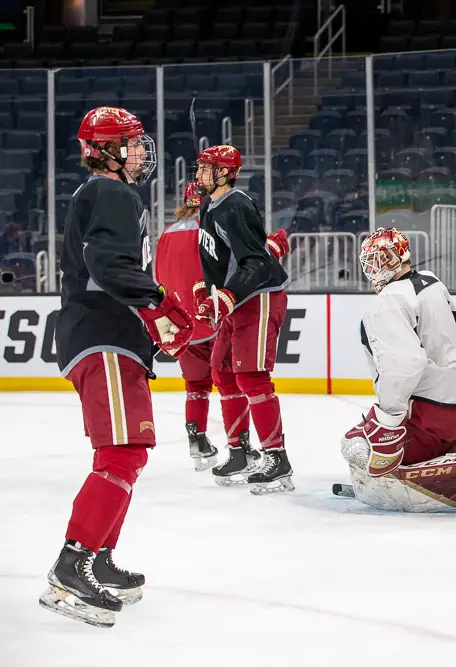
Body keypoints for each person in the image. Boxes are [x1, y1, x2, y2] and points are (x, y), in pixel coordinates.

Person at [40, 106, 194, 628]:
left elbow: (111, 267)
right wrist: (156, 302)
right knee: (121, 453)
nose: (138, 152)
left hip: (109, 336)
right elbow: (109, 266)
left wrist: (150, 317)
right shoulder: (111, 192)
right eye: (128, 143)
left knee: (127, 455)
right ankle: (71, 567)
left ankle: (97, 558)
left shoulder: (107, 194)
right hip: (103, 335)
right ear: (104, 150)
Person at [339, 227, 456, 515]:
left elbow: (405, 365)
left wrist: (389, 420)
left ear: (395, 259)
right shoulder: (431, 281)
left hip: (426, 412)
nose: (374, 269)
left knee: (356, 446)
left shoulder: (386, 303)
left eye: (379, 260)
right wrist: (451, 365)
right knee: (425, 447)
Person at [155, 182, 290, 472]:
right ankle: (249, 451)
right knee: (234, 377)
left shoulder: (167, 234)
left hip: (184, 319)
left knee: (199, 383)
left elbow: (160, 280)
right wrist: (271, 248)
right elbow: (240, 258)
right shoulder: (210, 226)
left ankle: (203, 440)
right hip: (215, 314)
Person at [192, 145, 294, 494]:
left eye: (208, 169)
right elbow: (223, 258)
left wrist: (227, 294)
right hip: (238, 300)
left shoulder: (235, 205)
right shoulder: (209, 206)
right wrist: (207, 290)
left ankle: (276, 456)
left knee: (251, 375)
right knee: (222, 371)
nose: (200, 174)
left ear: (225, 172)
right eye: (201, 168)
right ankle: (239, 450)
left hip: (259, 296)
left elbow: (257, 262)